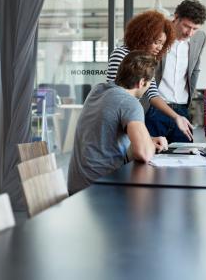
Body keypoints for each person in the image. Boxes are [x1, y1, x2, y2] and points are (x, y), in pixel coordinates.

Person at [68, 51, 168, 195]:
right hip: (101, 189)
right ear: (141, 83)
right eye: (149, 83)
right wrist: (150, 145)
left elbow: (106, 132)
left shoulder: (97, 90)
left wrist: (149, 139)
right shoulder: (130, 103)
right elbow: (144, 153)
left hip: (77, 187)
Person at [107, 10, 195, 141]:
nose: (160, 47)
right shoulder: (121, 54)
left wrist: (176, 117)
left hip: (131, 117)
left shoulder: (148, 61)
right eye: (156, 42)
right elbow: (114, 93)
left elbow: (153, 94)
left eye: (162, 43)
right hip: (118, 118)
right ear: (143, 36)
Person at [145, 0, 206, 143]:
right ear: (176, 17)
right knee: (152, 157)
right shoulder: (158, 34)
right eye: (186, 26)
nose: (190, 33)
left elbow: (195, 68)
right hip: (155, 108)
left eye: (195, 28)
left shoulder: (200, 38)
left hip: (182, 109)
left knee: (185, 158)